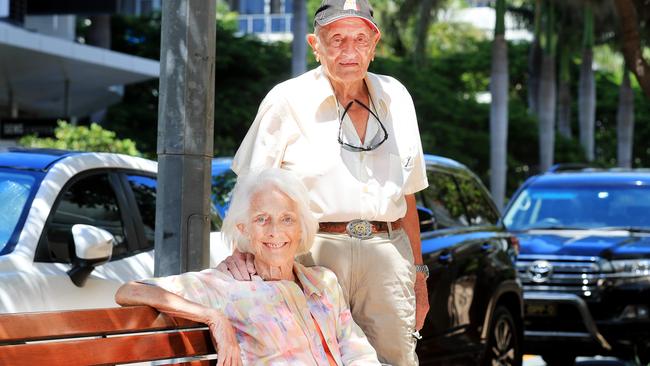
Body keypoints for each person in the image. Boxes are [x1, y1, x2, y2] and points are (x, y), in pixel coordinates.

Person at [218, 0, 430, 364]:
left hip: (387, 254)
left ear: (374, 46)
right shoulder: (286, 100)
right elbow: (250, 191)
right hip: (312, 255)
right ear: (316, 45)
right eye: (337, 39)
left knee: (395, 359)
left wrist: (419, 276)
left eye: (360, 39)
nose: (350, 50)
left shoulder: (397, 98)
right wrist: (241, 254)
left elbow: (407, 195)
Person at [115, 169, 381, 366]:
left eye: (287, 219)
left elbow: (357, 352)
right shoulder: (226, 286)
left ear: (301, 227)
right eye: (261, 219)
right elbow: (130, 290)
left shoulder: (323, 283)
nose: (275, 232)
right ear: (244, 229)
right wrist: (213, 317)